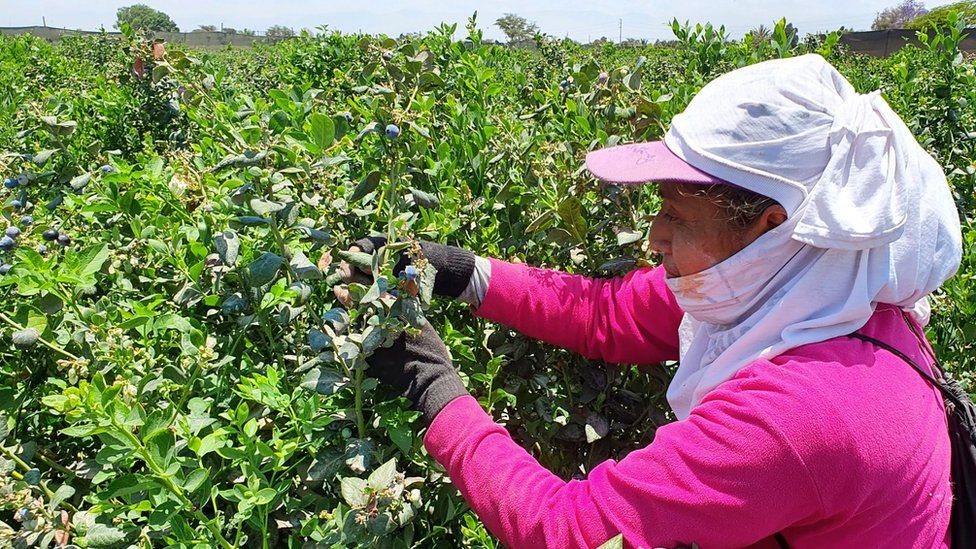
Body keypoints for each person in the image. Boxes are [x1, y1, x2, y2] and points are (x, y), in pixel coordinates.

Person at [337, 54, 963, 548]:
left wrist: (435, 388)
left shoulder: (803, 415)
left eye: (675, 215)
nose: (655, 236)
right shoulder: (820, 285)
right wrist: (460, 273)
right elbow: (608, 314)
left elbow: (571, 531)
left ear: (771, 225)